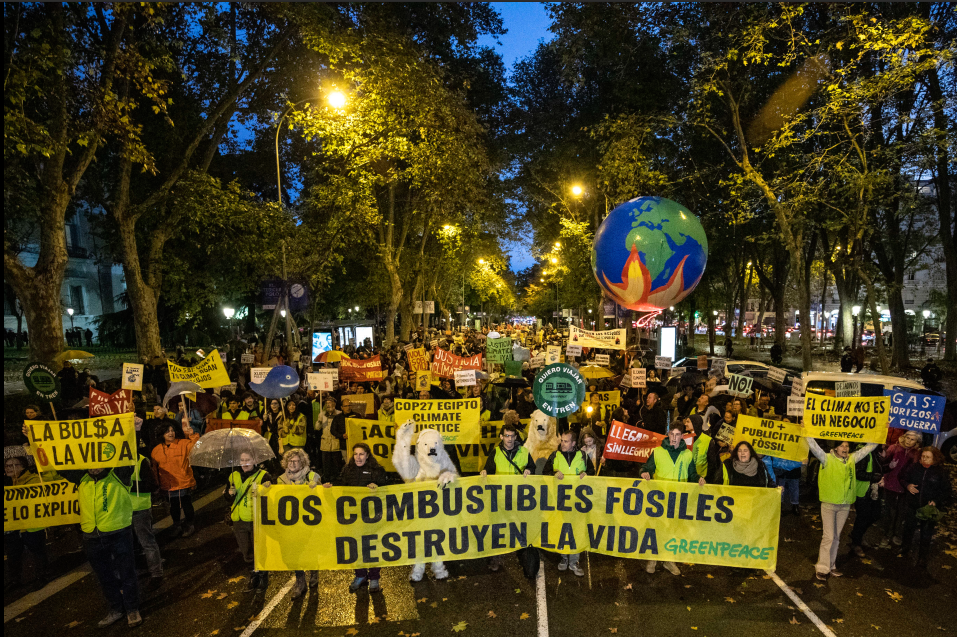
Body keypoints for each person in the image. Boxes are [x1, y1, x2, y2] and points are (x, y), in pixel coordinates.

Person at [58, 462, 142, 627]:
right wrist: (36, 441)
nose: (94, 467)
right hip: (91, 537)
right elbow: (58, 462)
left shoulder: (119, 474)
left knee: (127, 573)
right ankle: (116, 609)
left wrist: (133, 434)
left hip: (118, 533)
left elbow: (127, 452)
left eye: (98, 462)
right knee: (105, 577)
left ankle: (132, 609)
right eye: (90, 463)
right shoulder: (81, 478)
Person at [806, 437, 877, 580]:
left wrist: (879, 432)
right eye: (842, 446)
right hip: (829, 504)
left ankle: (831, 565)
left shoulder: (852, 459)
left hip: (844, 506)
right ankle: (822, 567)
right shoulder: (826, 459)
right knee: (829, 537)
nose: (845, 448)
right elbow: (814, 447)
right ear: (836, 448)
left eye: (847, 446)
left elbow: (869, 447)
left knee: (837, 537)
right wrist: (806, 432)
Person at [323, 443, 388, 592]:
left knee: (372, 546)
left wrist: (377, 487)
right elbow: (341, 485)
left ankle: (374, 578)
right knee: (355, 546)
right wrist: (329, 486)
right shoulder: (348, 470)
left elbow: (387, 488)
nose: (358, 457)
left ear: (367, 455)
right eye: (356, 454)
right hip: (353, 516)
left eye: (361, 454)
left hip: (371, 517)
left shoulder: (376, 471)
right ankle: (360, 575)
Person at [640, 423, 701, 575]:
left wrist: (699, 479)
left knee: (674, 530)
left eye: (678, 434)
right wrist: (644, 472)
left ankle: (668, 560)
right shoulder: (658, 452)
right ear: (668, 434)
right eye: (672, 434)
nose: (674, 438)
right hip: (660, 498)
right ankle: (653, 558)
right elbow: (647, 467)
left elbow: (692, 474)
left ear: (682, 436)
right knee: (657, 528)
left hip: (679, 499)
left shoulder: (687, 454)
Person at [481, 423, 535, 572]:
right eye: (507, 436)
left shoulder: (524, 452)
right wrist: (485, 472)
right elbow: (489, 471)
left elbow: (532, 467)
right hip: (500, 499)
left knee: (520, 529)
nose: (509, 439)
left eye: (512, 436)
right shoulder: (496, 452)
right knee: (498, 529)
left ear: (516, 437)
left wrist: (529, 470)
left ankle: (523, 558)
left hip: (519, 499)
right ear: (501, 437)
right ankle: (496, 558)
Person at [542, 430, 589, 577]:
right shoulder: (555, 456)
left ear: (574, 443)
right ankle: (563, 557)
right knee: (562, 529)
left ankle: (574, 562)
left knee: (577, 531)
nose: (562, 443)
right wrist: (554, 474)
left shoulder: (583, 456)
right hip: (560, 500)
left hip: (578, 502)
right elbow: (545, 473)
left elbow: (593, 474)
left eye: (566, 441)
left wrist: (586, 475)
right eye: (562, 441)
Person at [898, 446, 951, 569]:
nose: (924, 459)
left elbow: (946, 491)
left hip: (928, 508)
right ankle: (904, 548)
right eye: (922, 456)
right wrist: (907, 486)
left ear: (935, 458)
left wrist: (936, 501)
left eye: (927, 457)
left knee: (926, 534)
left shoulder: (940, 472)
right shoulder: (914, 467)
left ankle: (922, 558)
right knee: (908, 528)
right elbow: (902, 478)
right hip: (912, 505)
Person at [4, 454, 51, 591]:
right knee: (13, 554)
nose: (8, 468)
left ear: (23, 467)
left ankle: (42, 576)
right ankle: (14, 580)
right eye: (7, 466)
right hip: (13, 526)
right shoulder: (7, 482)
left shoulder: (33, 480)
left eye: (13, 465)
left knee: (37, 551)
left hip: (32, 525)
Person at [226, 452, 272, 591]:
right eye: (242, 460)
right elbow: (228, 499)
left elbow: (271, 498)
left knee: (259, 549)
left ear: (254, 461)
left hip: (255, 520)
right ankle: (253, 576)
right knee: (246, 551)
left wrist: (265, 490)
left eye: (248, 460)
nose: (245, 463)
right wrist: (229, 494)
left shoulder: (263, 475)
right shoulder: (233, 476)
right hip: (238, 520)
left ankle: (264, 575)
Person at [277, 449, 320, 597]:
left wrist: (317, 487)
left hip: (308, 522)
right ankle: (300, 580)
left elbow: (324, 495)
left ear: (302, 462)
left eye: (296, 461)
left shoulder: (312, 476)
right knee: (293, 553)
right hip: (291, 523)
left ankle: (314, 571)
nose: (293, 464)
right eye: (290, 461)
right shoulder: (281, 479)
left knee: (309, 549)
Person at [151, 418, 200, 538]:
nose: (170, 433)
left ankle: (190, 524)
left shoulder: (183, 443)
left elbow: (197, 446)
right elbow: (154, 470)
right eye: (167, 431)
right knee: (173, 507)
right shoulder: (156, 450)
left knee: (186, 504)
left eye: (172, 430)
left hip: (183, 482)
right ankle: (177, 525)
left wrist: (191, 434)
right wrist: (157, 485)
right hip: (168, 485)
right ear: (162, 434)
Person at [127, 449, 164, 590]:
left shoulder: (141, 461)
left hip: (139, 509)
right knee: (128, 546)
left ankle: (157, 575)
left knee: (147, 543)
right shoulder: (114, 461)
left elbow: (152, 485)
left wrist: (128, 485)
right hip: (122, 510)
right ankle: (132, 573)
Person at [880, 430, 921, 548]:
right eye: (907, 438)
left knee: (901, 512)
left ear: (916, 441)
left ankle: (896, 534)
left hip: (905, 487)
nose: (909, 441)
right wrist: (888, 466)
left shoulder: (916, 453)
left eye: (912, 439)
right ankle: (886, 535)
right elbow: (883, 464)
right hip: (890, 484)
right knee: (888, 512)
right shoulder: (894, 448)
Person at [847, 442, 883, 557]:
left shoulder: (875, 451)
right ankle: (856, 543)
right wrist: (874, 477)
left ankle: (856, 534)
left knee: (875, 514)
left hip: (871, 490)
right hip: (862, 491)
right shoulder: (863, 451)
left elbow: (877, 468)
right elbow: (857, 473)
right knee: (863, 517)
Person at [316, 396, 343, 483]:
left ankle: (336, 480)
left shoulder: (339, 414)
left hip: (336, 443)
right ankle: (326, 479)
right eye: (327, 403)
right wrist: (319, 421)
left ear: (334, 404)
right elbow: (317, 428)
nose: (329, 405)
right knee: (326, 464)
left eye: (330, 403)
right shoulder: (322, 414)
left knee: (336, 464)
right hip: (325, 443)